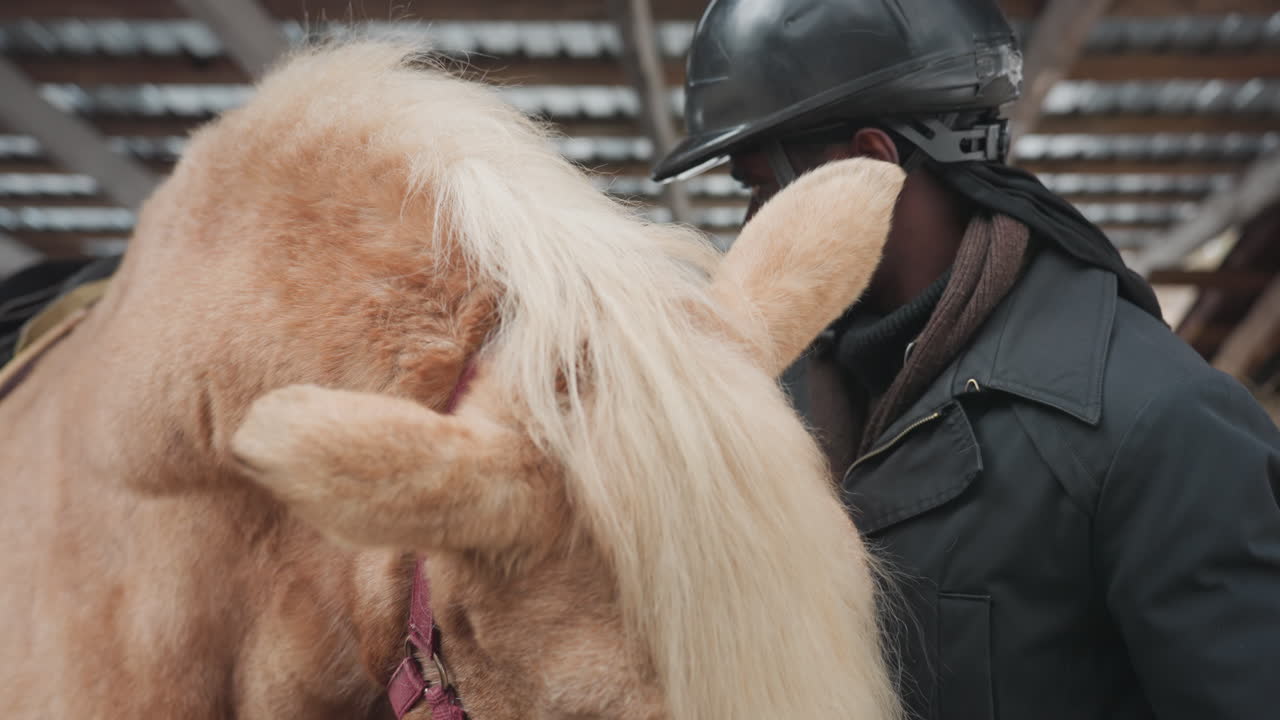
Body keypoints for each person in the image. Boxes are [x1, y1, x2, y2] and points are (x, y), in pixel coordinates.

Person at [653, 1, 1280, 718]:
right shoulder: (781, 410)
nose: (751, 229)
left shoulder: (1157, 428)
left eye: (763, 187)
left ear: (868, 165)